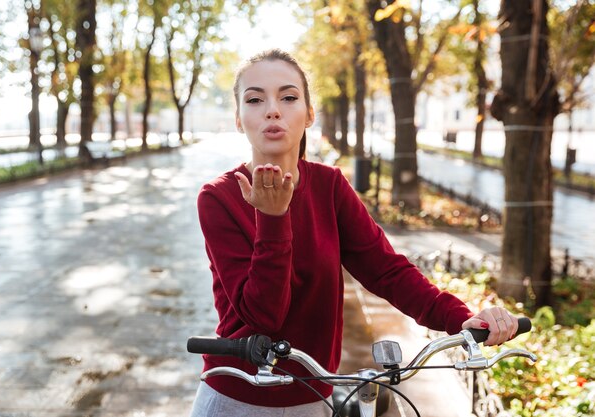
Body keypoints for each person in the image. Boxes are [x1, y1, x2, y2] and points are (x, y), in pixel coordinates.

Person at [190, 49, 519, 416]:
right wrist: (273, 218)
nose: (273, 110)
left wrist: (460, 317)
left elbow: (386, 270)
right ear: (239, 118)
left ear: (309, 114)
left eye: (288, 97)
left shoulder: (329, 186)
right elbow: (264, 317)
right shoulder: (218, 197)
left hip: (312, 396)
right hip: (239, 394)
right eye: (254, 99)